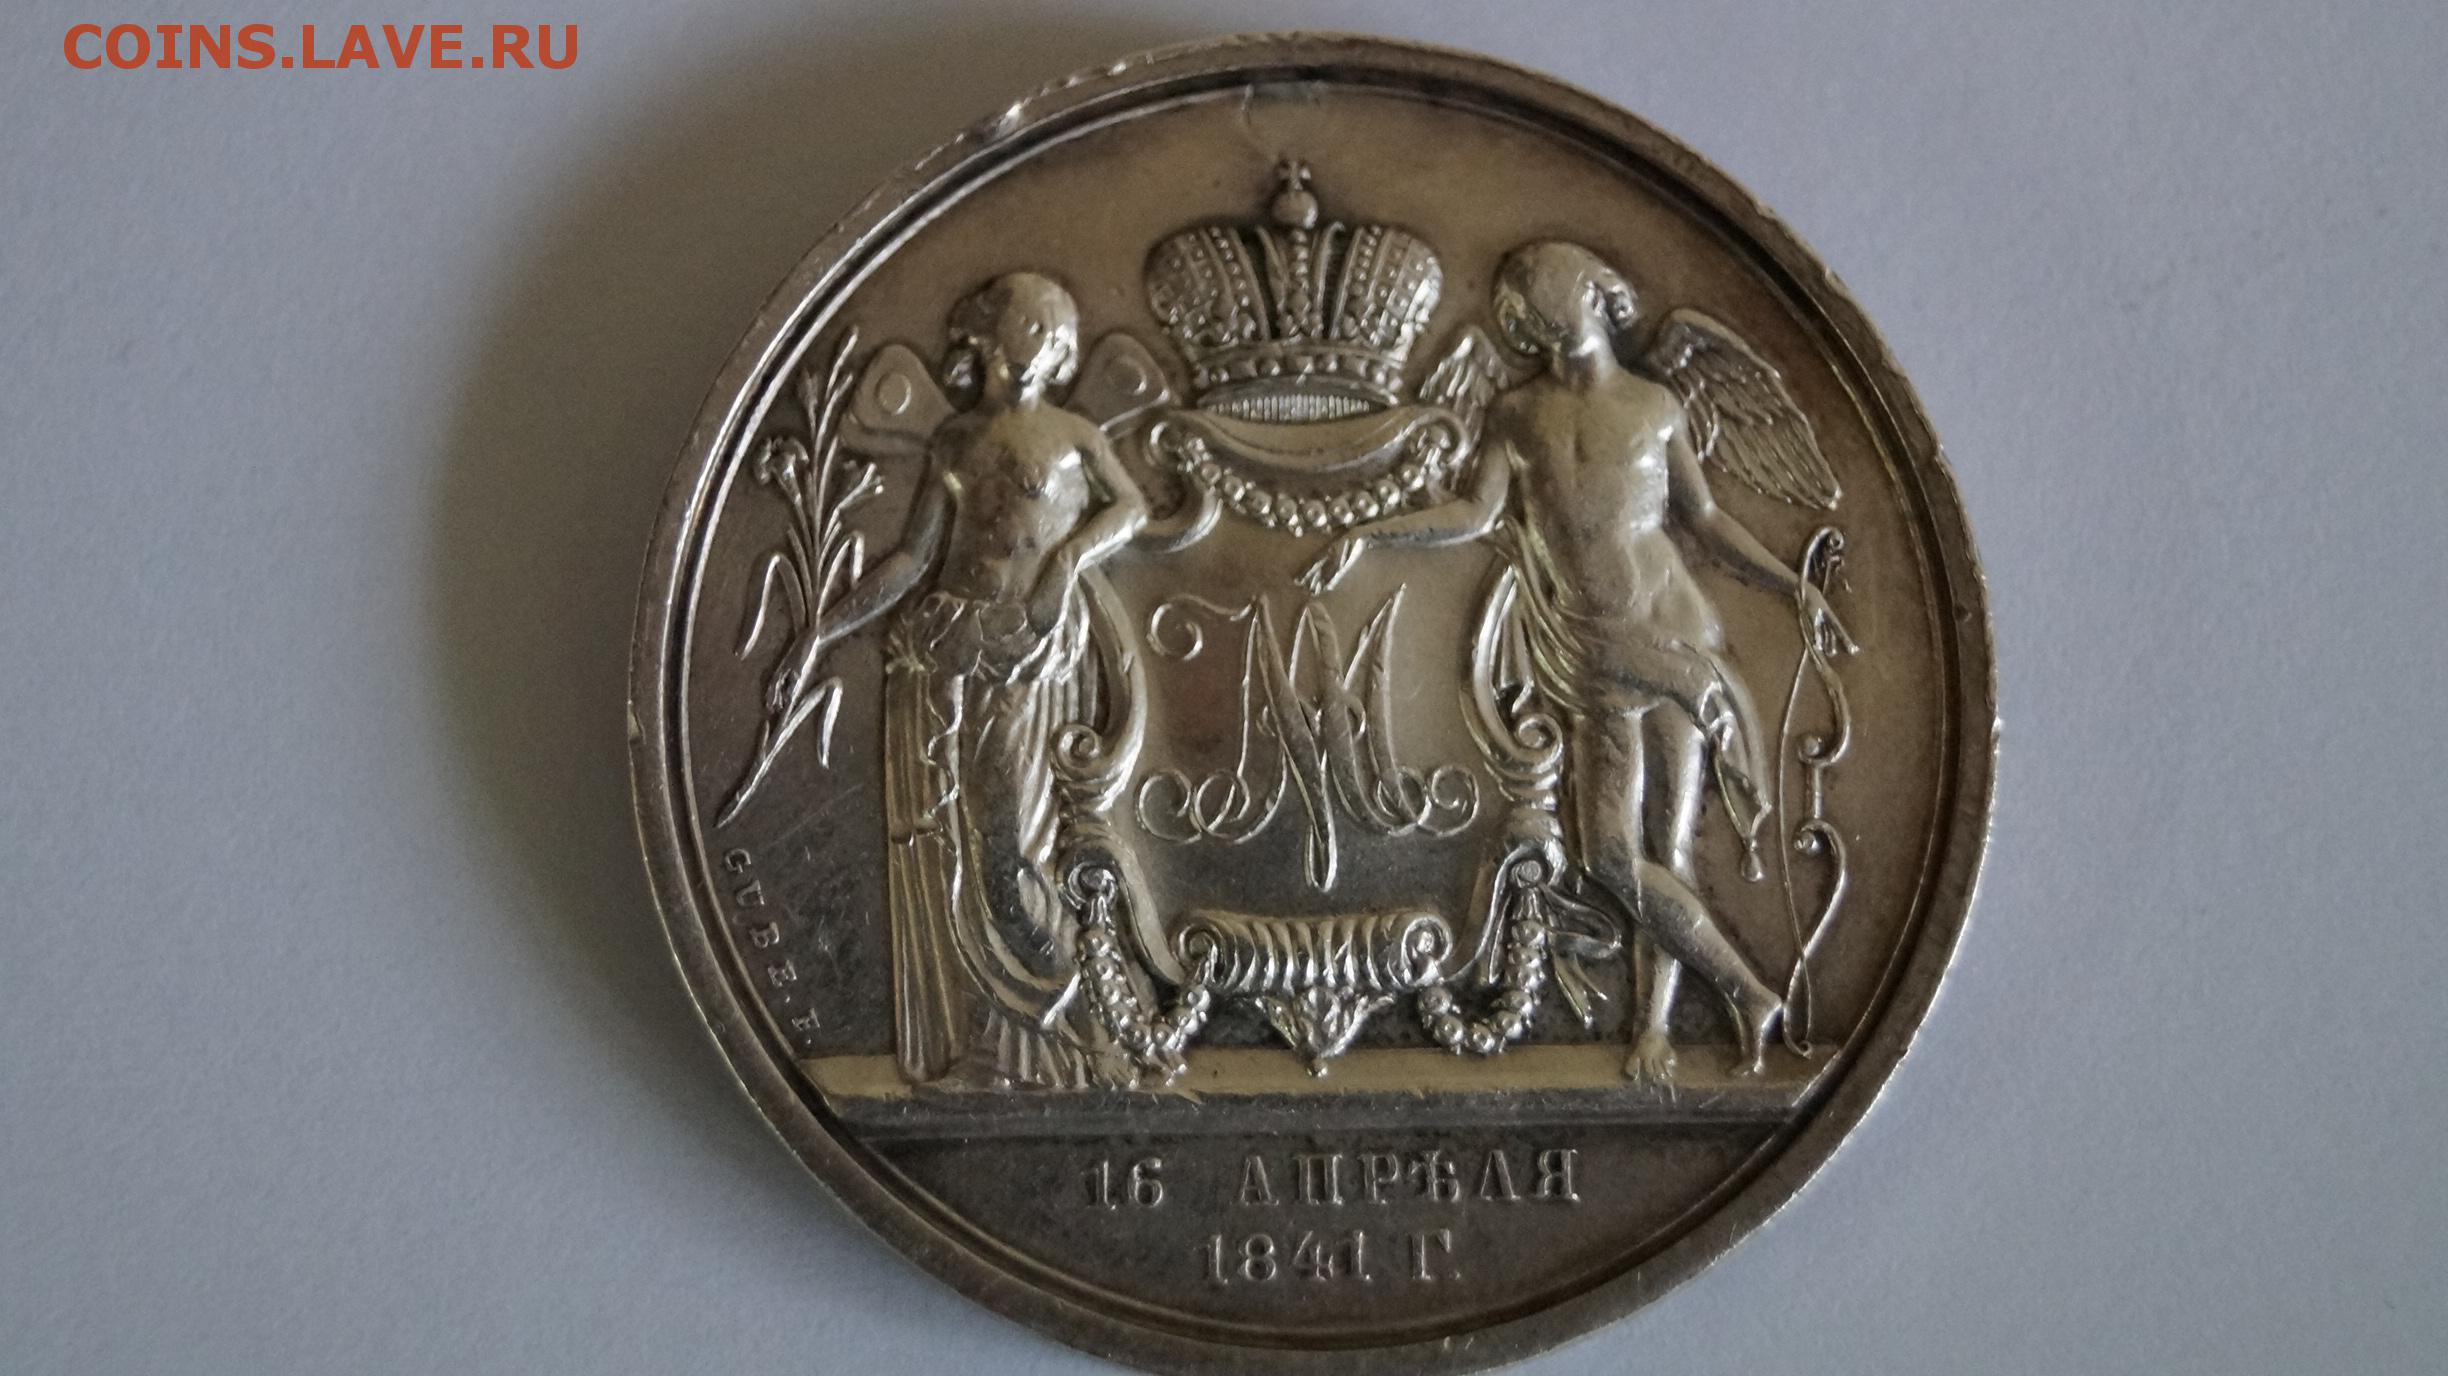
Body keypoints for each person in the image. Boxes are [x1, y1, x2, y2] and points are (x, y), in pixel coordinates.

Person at [1302, 242, 1844, 1079]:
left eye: (1547, 290)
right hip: (1587, 649)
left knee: (1668, 845)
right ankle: (1745, 989)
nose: (1534, 308)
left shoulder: (1656, 405)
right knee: (1610, 859)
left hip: (1672, 638)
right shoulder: (1517, 414)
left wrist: (1792, 587)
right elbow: (1475, 514)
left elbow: (1705, 522)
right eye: (1524, 300)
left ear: (1595, 292)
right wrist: (1371, 535)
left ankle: (1653, 1029)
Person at [768, 272, 1147, 1089]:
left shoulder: (1075, 436)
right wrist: (820, 631)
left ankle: (1075, 1031)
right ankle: (994, 1045)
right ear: (988, 337)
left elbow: (1131, 509)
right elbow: (911, 559)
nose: (1035, 342)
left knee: (1014, 844)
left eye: (1044, 329)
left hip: (1030, 649)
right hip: (950, 647)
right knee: (960, 844)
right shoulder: (953, 442)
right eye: (1020, 325)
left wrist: (1069, 559)